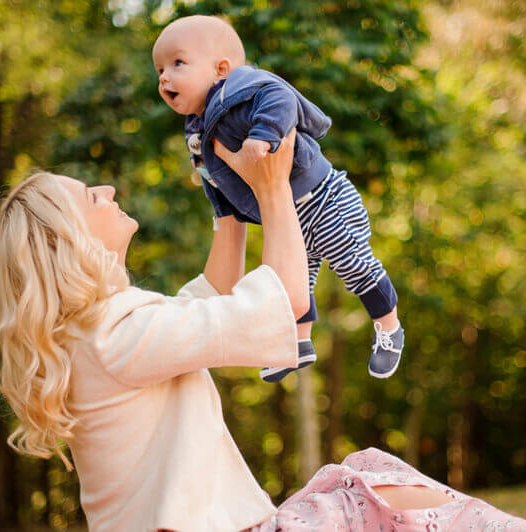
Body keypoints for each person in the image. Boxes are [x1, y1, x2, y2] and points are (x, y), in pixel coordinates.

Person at [0, 132, 526, 531]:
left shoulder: (105, 333)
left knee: (373, 486)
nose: (106, 191)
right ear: (71, 243)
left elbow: (209, 297)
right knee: (373, 492)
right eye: (90, 197)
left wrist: (227, 202)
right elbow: (285, 300)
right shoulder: (117, 333)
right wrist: (274, 187)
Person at [152, 15, 403, 383]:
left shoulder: (240, 88)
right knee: (290, 286)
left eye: (177, 63)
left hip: (325, 198)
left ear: (221, 69)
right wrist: (226, 215)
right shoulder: (197, 130)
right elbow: (212, 181)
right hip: (289, 216)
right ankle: (296, 346)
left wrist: (264, 133)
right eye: (159, 69)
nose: (164, 77)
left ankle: (389, 327)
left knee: (351, 263)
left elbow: (280, 95)